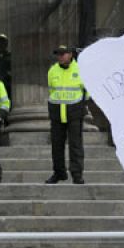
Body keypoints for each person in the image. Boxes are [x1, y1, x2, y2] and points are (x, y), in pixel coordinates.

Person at [45, 45, 86, 184]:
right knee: (56, 145)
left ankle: (77, 174)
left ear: (70, 55)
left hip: (74, 111)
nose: (60, 56)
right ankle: (59, 173)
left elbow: (87, 90)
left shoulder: (80, 69)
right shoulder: (52, 70)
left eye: (63, 54)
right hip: (57, 112)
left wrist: (81, 105)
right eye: (58, 54)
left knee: (75, 145)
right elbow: (52, 90)